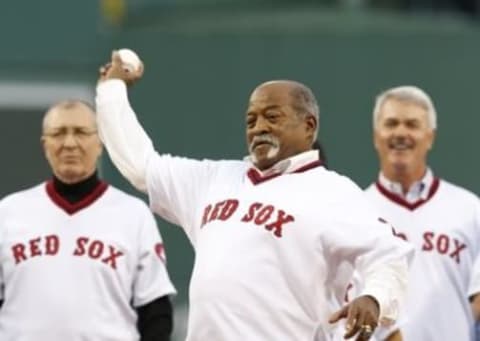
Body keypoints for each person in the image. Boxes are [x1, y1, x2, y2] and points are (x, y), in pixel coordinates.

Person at [95, 51, 413, 341]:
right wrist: (111, 90)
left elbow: (390, 256)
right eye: (251, 120)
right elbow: (140, 165)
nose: (259, 126)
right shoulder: (214, 179)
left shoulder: (335, 192)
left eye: (272, 116)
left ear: (309, 126)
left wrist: (374, 298)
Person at [0, 100, 176, 341]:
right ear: (45, 145)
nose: (70, 143)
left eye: (81, 132)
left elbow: (156, 312)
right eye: (58, 133)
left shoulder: (132, 214)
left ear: (100, 142)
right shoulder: (9, 212)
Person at [364, 85, 480, 340]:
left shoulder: (469, 208)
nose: (401, 133)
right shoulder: (357, 212)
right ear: (375, 135)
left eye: (412, 124)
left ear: (430, 137)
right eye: (391, 123)